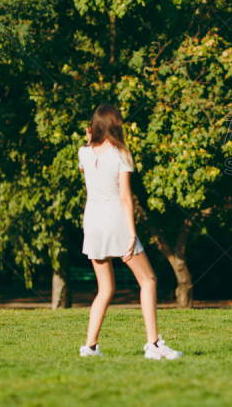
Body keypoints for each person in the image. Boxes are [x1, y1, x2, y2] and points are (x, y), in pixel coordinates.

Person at [77, 104, 182, 360]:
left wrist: (91, 140)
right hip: (115, 221)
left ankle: (90, 347)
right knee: (148, 280)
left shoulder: (83, 152)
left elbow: (89, 172)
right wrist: (132, 233)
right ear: (115, 126)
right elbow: (125, 197)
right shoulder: (122, 153)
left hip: (92, 222)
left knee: (105, 289)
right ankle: (153, 344)